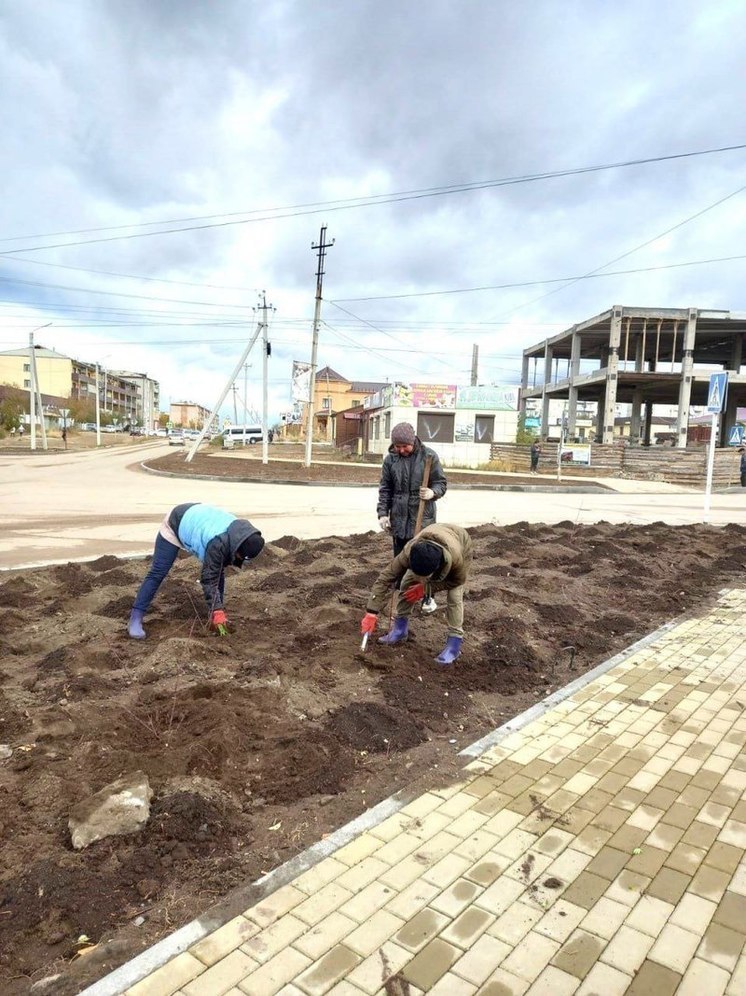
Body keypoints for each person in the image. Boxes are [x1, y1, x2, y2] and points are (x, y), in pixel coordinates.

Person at [128, 503, 265, 639]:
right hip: (176, 521)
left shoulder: (242, 534)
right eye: (241, 557)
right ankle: (135, 618)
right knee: (158, 572)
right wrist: (217, 610)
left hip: (197, 519)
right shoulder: (218, 544)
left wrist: (217, 611)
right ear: (238, 549)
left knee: (218, 570)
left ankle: (216, 615)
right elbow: (209, 579)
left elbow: (217, 571)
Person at [360, 523, 473, 665]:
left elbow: (457, 581)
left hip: (460, 542)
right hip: (434, 536)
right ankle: (400, 629)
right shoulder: (409, 551)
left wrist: (425, 588)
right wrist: (371, 612)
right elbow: (385, 578)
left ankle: (454, 645)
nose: (420, 579)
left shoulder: (456, 560)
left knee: (455, 597)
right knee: (407, 582)